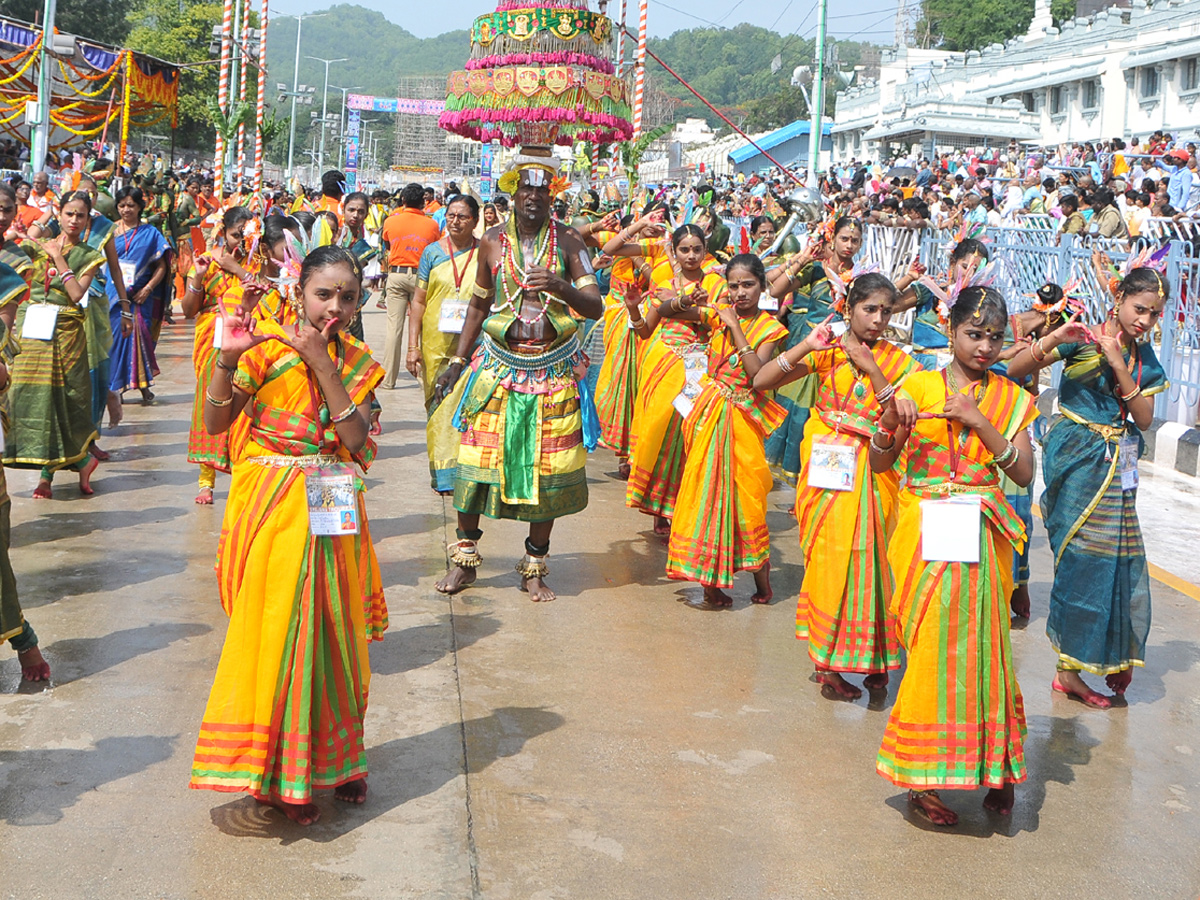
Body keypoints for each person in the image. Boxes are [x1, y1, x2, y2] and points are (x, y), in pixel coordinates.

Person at [189, 245, 386, 825]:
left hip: (331, 498)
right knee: (275, 630)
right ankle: (270, 767)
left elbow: (354, 440)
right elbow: (218, 424)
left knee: (332, 630)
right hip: (269, 502)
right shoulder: (266, 349)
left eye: (347, 297)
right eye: (324, 293)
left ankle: (341, 760)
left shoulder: (357, 361)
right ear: (299, 292)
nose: (335, 306)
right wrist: (226, 360)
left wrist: (323, 362)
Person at [871, 285, 1038, 827]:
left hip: (979, 535)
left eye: (994, 337)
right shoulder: (916, 387)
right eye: (974, 334)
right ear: (949, 331)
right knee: (932, 652)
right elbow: (880, 463)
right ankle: (923, 778)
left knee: (985, 649)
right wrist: (891, 427)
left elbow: (1023, 474)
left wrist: (978, 420)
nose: (985, 347)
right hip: (924, 533)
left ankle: (997, 767)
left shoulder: (1010, 399)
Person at [431, 150, 602, 602]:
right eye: (524, 188)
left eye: (541, 189)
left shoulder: (569, 243)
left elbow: (594, 305)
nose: (532, 197)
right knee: (474, 467)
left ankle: (533, 567)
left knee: (547, 472)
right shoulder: (490, 242)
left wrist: (560, 286)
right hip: (497, 368)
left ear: (551, 197)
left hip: (552, 371)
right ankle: (465, 560)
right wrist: (455, 362)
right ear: (511, 194)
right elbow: (479, 306)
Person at [1007, 263, 1167, 709]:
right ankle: (1070, 669)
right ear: (1117, 300)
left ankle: (1106, 657)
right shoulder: (1081, 338)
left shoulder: (1142, 359)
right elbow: (1016, 368)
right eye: (1139, 309)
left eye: (1153, 314)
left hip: (1116, 467)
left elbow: (1146, 419)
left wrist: (1118, 362)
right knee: (1080, 559)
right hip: (1074, 457)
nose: (1144, 320)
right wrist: (1055, 339)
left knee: (1117, 561)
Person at [755, 273, 917, 700]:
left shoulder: (901, 364)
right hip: (827, 468)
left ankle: (876, 655)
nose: (878, 320)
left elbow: (899, 419)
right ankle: (827, 662)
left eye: (886, 311)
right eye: (869, 309)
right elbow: (763, 381)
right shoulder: (828, 352)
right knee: (831, 562)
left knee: (876, 562)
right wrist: (807, 345)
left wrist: (873, 370)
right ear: (849, 308)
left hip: (874, 467)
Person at [658, 254, 787, 608]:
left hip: (742, 419)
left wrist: (735, 327)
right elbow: (666, 311)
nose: (740, 292)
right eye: (733, 285)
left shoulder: (770, 328)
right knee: (706, 494)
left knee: (747, 498)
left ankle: (761, 577)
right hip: (707, 412)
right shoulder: (717, 314)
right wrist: (687, 299)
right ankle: (711, 584)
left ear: (762, 286)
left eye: (748, 285)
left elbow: (756, 375)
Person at [625, 224, 727, 534]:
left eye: (698, 249)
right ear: (675, 250)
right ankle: (658, 507)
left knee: (690, 435)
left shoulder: (717, 285)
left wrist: (682, 304)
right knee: (660, 431)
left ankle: (683, 506)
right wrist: (633, 310)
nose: (692, 255)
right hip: (663, 363)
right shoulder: (663, 283)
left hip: (700, 367)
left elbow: (719, 320)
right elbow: (645, 331)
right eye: (685, 249)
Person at [3, 191, 104, 498]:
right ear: (59, 214)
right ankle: (79, 462)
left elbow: (75, 294)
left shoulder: (89, 255)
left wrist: (59, 258)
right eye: (69, 213)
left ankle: (52, 474)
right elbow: (16, 238)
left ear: (88, 219)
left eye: (81, 215)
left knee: (64, 399)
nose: (74, 220)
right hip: (32, 328)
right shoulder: (34, 247)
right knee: (26, 395)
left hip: (66, 332)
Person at [181, 206, 257, 505]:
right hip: (211, 341)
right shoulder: (206, 261)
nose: (240, 241)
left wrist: (238, 268)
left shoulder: (257, 262)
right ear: (223, 231)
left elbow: (266, 289)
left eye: (245, 236)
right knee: (210, 401)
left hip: (249, 336)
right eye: (235, 234)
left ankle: (243, 470)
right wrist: (198, 278)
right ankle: (206, 480)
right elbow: (188, 310)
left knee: (245, 401)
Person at [406, 195, 481, 493]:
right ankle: (443, 476)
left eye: (462, 216)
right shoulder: (432, 254)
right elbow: (419, 301)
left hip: (474, 342)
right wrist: (413, 347)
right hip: (436, 343)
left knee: (469, 407)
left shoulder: (484, 253)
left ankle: (467, 472)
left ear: (475, 220)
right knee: (438, 405)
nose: (455, 221)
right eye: (450, 215)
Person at [107, 186, 167, 403]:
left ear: (140, 206)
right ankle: (117, 386)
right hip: (114, 294)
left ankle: (142, 384)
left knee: (140, 338)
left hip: (140, 296)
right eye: (122, 205)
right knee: (116, 340)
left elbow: (162, 266)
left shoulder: (150, 234)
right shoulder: (110, 230)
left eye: (130, 205)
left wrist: (148, 288)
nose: (126, 210)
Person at [380, 183, 440, 389]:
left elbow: (387, 245)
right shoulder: (432, 225)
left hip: (396, 275)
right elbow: (435, 249)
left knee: (393, 328)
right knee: (422, 328)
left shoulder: (391, 221)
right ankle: (425, 379)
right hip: (421, 278)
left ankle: (388, 379)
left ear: (403, 200)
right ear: (424, 201)